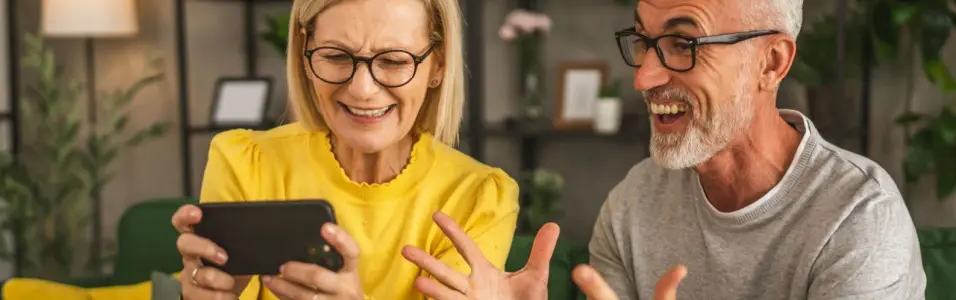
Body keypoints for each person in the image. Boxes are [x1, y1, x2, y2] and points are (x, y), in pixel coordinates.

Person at [407, 0, 928, 299]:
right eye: (644, 42)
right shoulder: (635, 202)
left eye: (685, 44)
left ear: (771, 63)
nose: (644, 77)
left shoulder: (858, 218)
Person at [171, 0, 521, 299]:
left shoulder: (479, 197)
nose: (362, 89)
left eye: (394, 61)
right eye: (336, 56)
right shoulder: (244, 161)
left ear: (439, 65)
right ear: (306, 56)